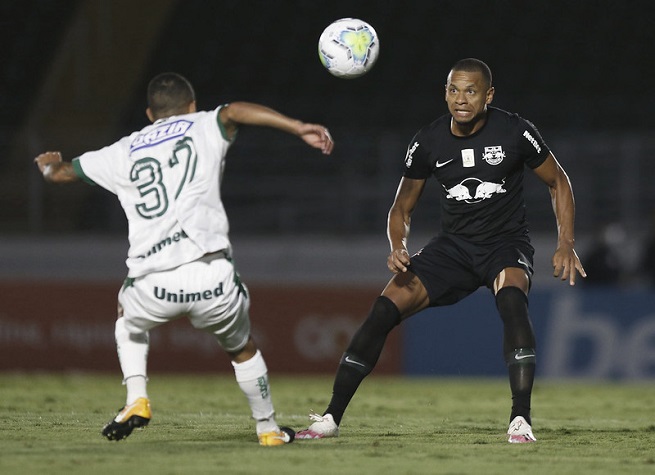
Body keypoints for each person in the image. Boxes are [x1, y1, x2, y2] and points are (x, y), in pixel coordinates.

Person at [34, 72, 334, 446]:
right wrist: (298, 126)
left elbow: (62, 172)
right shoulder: (204, 124)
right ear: (191, 106)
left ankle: (136, 399)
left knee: (127, 319)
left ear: (149, 113)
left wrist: (49, 165)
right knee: (242, 349)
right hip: (211, 274)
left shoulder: (122, 150)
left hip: (152, 281)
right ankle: (269, 429)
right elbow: (236, 111)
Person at [296, 58, 585, 444]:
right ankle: (330, 417)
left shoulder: (515, 131)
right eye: (453, 90)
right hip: (452, 249)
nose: (461, 99)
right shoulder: (428, 141)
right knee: (383, 310)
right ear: (445, 92)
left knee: (513, 302)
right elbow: (402, 207)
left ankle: (520, 420)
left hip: (504, 244)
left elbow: (558, 182)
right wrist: (397, 245)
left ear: (488, 95)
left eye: (470, 91)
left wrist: (566, 242)